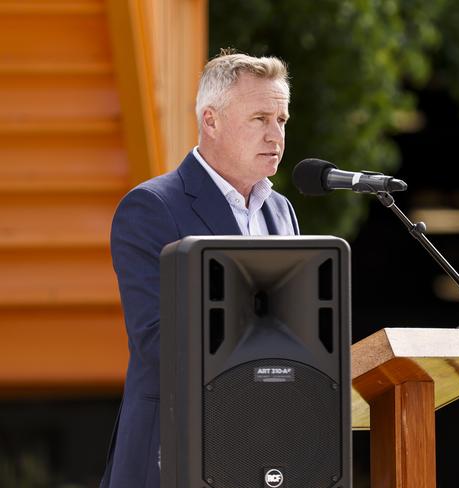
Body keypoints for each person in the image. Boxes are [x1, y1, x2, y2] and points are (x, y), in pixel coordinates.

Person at [100, 51, 299, 488]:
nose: (275, 135)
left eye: (281, 120)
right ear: (210, 121)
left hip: (267, 454)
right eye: (260, 119)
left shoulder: (281, 212)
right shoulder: (152, 208)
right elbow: (157, 340)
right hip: (174, 453)